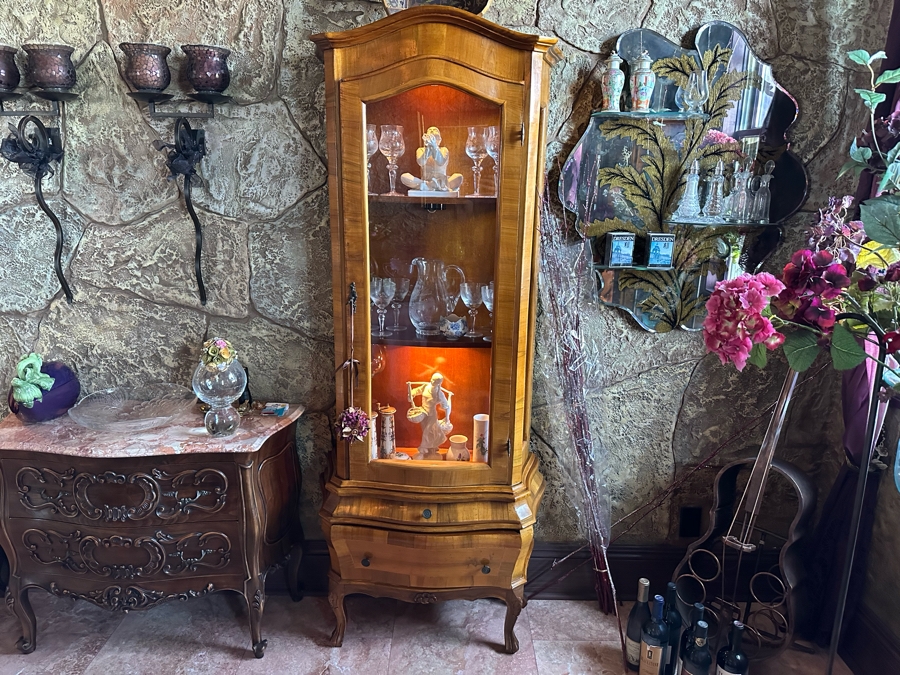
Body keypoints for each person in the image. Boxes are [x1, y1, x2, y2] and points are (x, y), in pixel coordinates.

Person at [407, 372, 453, 459]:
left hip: (432, 415)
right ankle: (432, 448)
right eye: (432, 379)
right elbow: (416, 391)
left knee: (427, 432)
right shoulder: (425, 386)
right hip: (423, 412)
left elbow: (446, 406)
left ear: (439, 383)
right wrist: (411, 393)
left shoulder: (439, 394)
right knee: (431, 432)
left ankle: (422, 450)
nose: (432, 381)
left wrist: (447, 418)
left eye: (435, 381)